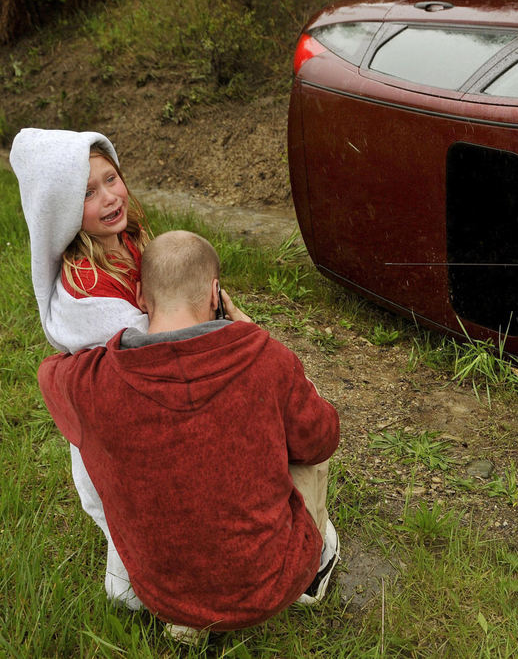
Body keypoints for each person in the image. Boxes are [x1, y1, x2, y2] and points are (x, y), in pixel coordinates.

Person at [37, 230, 341, 636]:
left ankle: (189, 622)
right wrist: (259, 340)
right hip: (270, 585)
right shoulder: (268, 361)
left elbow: (49, 371)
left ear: (141, 296)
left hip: (163, 596)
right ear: (215, 294)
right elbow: (322, 438)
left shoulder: (92, 384)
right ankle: (314, 567)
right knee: (308, 407)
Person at [11, 128, 152, 608]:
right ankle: (131, 591)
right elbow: (144, 344)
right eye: (88, 193)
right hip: (114, 429)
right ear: (64, 211)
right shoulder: (85, 287)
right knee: (131, 515)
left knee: (147, 514)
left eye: (111, 179)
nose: (110, 197)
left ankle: (141, 582)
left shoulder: (129, 243)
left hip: (142, 415)